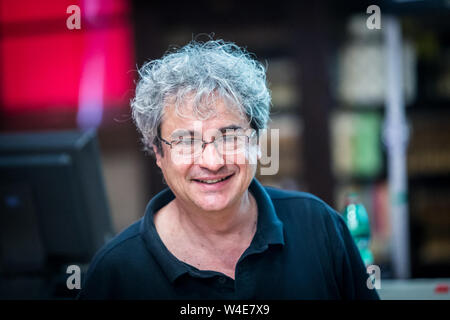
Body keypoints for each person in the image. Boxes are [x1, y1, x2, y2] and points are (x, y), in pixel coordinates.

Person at [77, 40, 380, 300]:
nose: (212, 161)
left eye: (230, 137)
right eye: (187, 141)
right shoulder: (116, 272)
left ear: (257, 142)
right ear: (158, 153)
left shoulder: (319, 228)